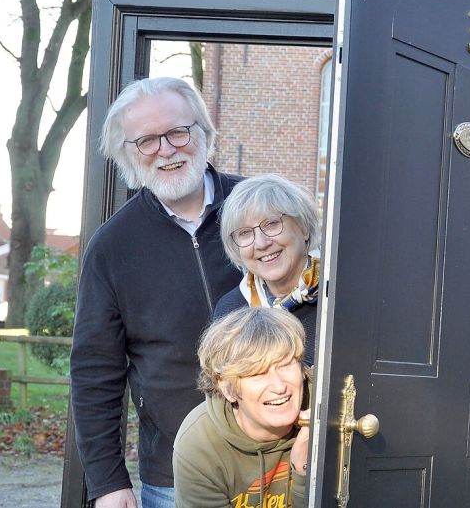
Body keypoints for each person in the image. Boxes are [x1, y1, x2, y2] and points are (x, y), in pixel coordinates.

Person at [70, 76, 243, 508]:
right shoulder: (112, 248)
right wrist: (107, 482)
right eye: (146, 140)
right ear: (126, 156)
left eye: (177, 132)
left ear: (203, 132)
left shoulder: (260, 212)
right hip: (175, 477)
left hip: (281, 463)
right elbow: (95, 372)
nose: (166, 149)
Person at [173, 307, 310, 507]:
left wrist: (304, 471)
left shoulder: (331, 409)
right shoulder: (200, 444)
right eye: (257, 373)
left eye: (285, 365)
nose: (280, 386)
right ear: (227, 388)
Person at [213, 174, 321, 365]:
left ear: (303, 227)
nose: (261, 244)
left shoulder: (337, 298)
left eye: (271, 224)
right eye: (245, 233)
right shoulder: (231, 310)